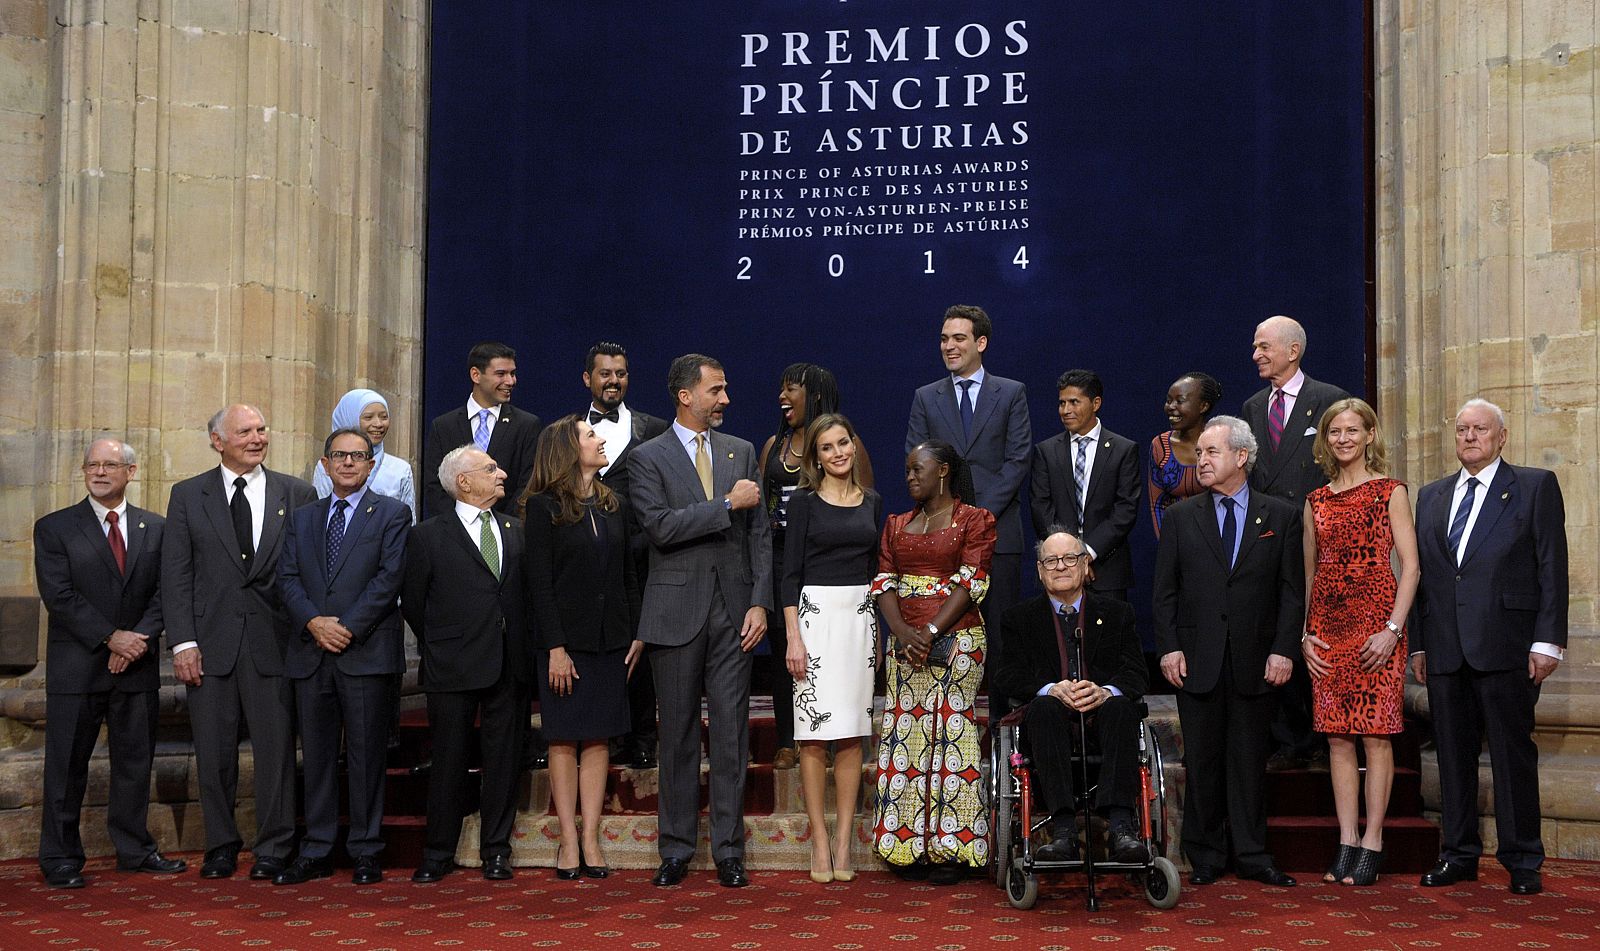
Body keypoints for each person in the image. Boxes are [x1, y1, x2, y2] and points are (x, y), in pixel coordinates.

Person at [1410, 399, 1568, 896]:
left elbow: (1552, 566)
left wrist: (1548, 642)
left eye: (1480, 429)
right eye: (1462, 429)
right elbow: (1422, 576)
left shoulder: (1534, 486)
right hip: (1444, 647)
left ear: (1502, 437)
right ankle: (1458, 854)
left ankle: (1522, 858)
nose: (1470, 437)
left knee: (1511, 755)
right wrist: (1418, 645)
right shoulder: (1432, 496)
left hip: (1507, 645)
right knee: (1452, 755)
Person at [627, 354, 772, 889]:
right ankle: (676, 849)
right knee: (678, 735)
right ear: (686, 395)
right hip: (674, 614)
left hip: (735, 612)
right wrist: (726, 504)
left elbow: (760, 536)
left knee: (731, 734)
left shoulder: (742, 450)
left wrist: (759, 602)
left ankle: (729, 851)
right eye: (716, 390)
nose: (725, 399)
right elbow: (660, 527)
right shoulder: (647, 458)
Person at [162, 405, 316, 882]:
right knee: (213, 753)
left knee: (276, 753)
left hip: (276, 643)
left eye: (261, 429)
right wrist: (182, 642)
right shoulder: (188, 495)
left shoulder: (297, 492)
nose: (257, 438)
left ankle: (274, 846)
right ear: (217, 441)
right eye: (245, 431)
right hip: (209, 645)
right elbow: (176, 574)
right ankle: (220, 846)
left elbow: (307, 571)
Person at [1153, 416, 1302, 888]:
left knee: (1249, 762)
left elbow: (1291, 592)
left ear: (1241, 457)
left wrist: (1284, 650)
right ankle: (1206, 854)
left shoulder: (1280, 516)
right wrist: (1169, 648)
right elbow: (1165, 593)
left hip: (1257, 660)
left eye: (1211, 452)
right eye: (1200, 453)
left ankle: (1253, 855)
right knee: (1202, 762)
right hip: (1197, 659)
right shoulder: (1180, 517)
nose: (1201, 460)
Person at [33, 439, 185, 888]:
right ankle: (60, 857)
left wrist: (136, 641)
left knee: (135, 765)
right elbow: (59, 595)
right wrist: (110, 637)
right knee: (66, 767)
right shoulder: (55, 527)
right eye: (92, 465)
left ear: (130, 472)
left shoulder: (156, 528)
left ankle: (134, 849)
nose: (99, 472)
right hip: (77, 667)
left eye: (109, 465)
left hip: (136, 667)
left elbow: (167, 592)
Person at [275, 428, 411, 885]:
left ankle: (366, 849)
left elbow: (389, 578)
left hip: (365, 652)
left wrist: (346, 627)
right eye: (339, 455)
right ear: (326, 463)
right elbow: (287, 578)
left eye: (358, 456)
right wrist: (315, 622)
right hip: (311, 652)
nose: (348, 463)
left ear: (371, 465)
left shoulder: (392, 513)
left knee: (366, 757)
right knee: (316, 758)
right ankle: (316, 849)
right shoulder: (302, 518)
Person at [1299, 399, 1419, 886]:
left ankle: (1373, 841)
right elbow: (1311, 575)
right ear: (1325, 440)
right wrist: (1306, 634)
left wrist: (1392, 631)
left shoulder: (1391, 491)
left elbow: (1411, 568)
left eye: (1352, 430)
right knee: (1337, 738)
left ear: (1370, 435)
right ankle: (1347, 840)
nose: (1343, 439)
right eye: (1335, 431)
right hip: (1328, 633)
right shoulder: (1315, 501)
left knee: (1375, 736)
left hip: (1377, 632)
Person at [519, 415, 645, 880]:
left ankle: (591, 837)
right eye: (591, 435)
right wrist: (555, 646)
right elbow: (539, 584)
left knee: (598, 736)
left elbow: (628, 574)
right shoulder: (543, 507)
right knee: (564, 736)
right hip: (565, 646)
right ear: (568, 450)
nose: (601, 439)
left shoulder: (615, 504)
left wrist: (635, 632)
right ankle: (568, 840)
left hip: (611, 641)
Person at [401, 446, 532, 883]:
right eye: (490, 468)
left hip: (508, 663)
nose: (502, 473)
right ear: (463, 481)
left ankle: (496, 850)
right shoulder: (427, 536)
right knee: (449, 762)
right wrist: (444, 643)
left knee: (504, 762)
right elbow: (414, 603)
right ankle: (438, 852)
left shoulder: (516, 530)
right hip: (452, 665)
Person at [870, 440, 997, 885]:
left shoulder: (975, 520)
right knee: (906, 737)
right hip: (905, 645)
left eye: (917, 469)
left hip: (957, 639)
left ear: (943, 470)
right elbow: (884, 580)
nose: (909, 476)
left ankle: (953, 849)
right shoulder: (896, 523)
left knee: (950, 734)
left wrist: (928, 632)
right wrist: (903, 633)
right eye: (907, 470)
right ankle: (906, 845)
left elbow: (972, 580)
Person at [993, 529, 1148, 863]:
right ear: (1039, 570)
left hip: (1103, 723)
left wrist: (1105, 692)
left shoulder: (1118, 613)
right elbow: (1007, 676)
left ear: (1085, 565)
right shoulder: (1018, 618)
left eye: (1069, 559)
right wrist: (1050, 689)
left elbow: (1136, 672)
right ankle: (1063, 831)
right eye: (1051, 561)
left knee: (1122, 708)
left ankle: (1122, 828)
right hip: (1048, 727)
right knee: (1044, 708)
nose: (1060, 566)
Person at [905, 305, 1030, 717]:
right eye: (944, 338)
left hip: (999, 536)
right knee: (945, 634)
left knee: (1002, 638)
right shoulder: (926, 397)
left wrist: (976, 519)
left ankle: (1004, 729)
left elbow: (1017, 460)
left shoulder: (1010, 393)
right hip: (941, 539)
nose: (949, 346)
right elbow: (917, 461)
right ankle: (943, 728)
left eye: (959, 338)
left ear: (981, 342)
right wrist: (953, 521)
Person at [1241, 315, 1351, 772]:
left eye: (1264, 346)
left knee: (1313, 632)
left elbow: (1341, 465)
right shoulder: (1252, 406)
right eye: (1255, 346)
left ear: (1293, 351)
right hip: (1267, 535)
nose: (1256, 355)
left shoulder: (1329, 400)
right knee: (1275, 630)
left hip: (1315, 536)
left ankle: (1319, 736)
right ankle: (1285, 737)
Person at [780, 413, 882, 883]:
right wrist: (793, 636)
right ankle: (819, 841)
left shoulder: (872, 501)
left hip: (859, 619)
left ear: (854, 446)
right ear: (816, 458)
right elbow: (789, 575)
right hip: (814, 620)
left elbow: (875, 572)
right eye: (827, 447)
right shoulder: (803, 503)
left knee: (852, 734)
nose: (838, 453)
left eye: (843, 443)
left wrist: (877, 631)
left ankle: (844, 841)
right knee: (813, 734)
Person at [760, 362, 874, 769]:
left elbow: (863, 507)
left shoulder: (849, 445)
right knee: (786, 650)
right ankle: (789, 738)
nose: (783, 397)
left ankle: (833, 735)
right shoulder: (773, 446)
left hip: (831, 561)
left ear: (816, 394)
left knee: (834, 659)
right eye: (781, 388)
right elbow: (762, 512)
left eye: (792, 389)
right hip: (782, 556)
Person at [583, 342, 668, 769]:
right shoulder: (569, 433)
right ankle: (604, 733)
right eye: (605, 373)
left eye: (620, 373)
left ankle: (642, 736)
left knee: (640, 647)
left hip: (639, 556)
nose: (613, 381)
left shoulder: (654, 429)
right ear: (588, 379)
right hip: (588, 558)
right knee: (597, 646)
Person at [1029, 369, 1141, 601]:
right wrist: (1069, 557)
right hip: (1058, 569)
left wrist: (1087, 554)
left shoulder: (1123, 450)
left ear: (1095, 403)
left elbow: (1125, 510)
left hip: (1107, 569)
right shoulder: (1046, 451)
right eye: (1062, 403)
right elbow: (1041, 507)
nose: (1065, 410)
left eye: (1074, 402)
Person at [421, 341, 542, 518]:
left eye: (512, 374)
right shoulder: (443, 426)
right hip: (454, 531)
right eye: (501, 374)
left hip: (506, 529)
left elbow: (528, 485)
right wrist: (460, 526)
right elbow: (434, 486)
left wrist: (500, 525)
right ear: (476, 375)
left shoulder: (527, 425)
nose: (510, 381)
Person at [311, 388, 417, 520]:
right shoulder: (329, 466)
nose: (378, 424)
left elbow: (408, 523)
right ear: (350, 418)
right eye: (368, 417)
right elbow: (320, 516)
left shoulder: (400, 470)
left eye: (384, 417)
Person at [1148, 372, 1221, 538]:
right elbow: (1156, 505)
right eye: (1168, 400)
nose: (1171, 407)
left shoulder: (1221, 443)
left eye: (1180, 401)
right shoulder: (1160, 446)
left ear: (1203, 406)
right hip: (1175, 539)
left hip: (1218, 540)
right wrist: (1168, 545)